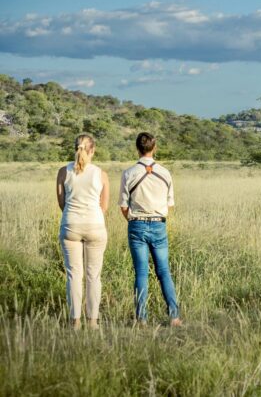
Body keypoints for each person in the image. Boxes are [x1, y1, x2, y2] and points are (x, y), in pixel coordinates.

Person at [118, 132, 182, 327]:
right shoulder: (165, 173)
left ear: (137, 148)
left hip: (136, 224)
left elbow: (123, 205)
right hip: (158, 224)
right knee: (164, 271)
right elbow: (170, 204)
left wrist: (132, 218)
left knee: (141, 273)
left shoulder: (128, 173)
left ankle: (142, 319)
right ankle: (174, 317)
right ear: (154, 148)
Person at [55, 134, 109, 330]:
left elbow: (62, 202)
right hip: (95, 225)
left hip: (71, 225)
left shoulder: (63, 172)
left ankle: (75, 321)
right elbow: (104, 206)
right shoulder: (101, 174)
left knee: (73, 275)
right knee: (93, 275)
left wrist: (74, 217)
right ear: (92, 150)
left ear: (75, 149)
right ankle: (93, 321)